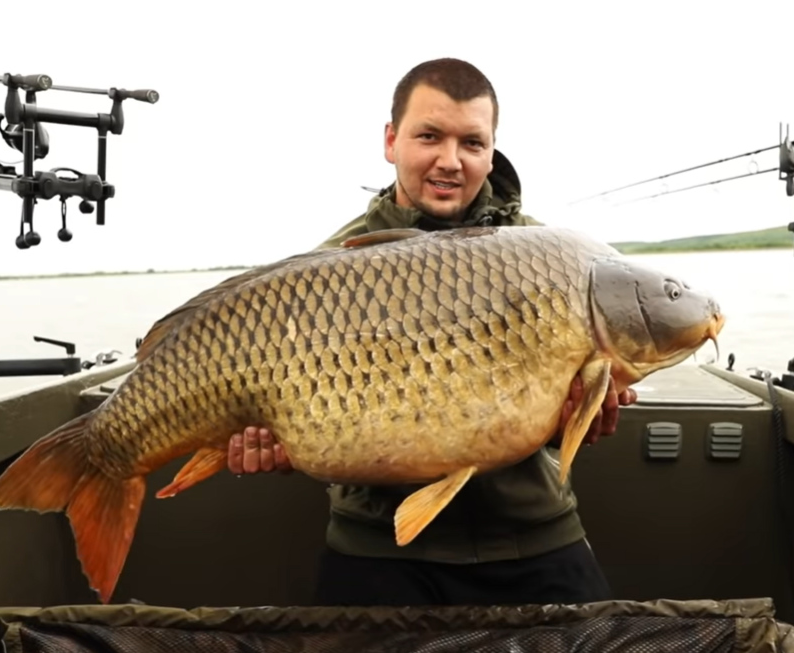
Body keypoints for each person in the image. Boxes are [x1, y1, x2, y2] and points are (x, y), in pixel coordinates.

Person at [227, 58, 637, 606]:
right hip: (377, 543)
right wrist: (274, 445)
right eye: (429, 137)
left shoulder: (552, 261)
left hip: (531, 532)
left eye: (472, 143)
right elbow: (303, 425)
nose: (450, 160)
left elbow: (554, 412)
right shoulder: (329, 271)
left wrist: (578, 420)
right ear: (391, 140)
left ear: (492, 151)